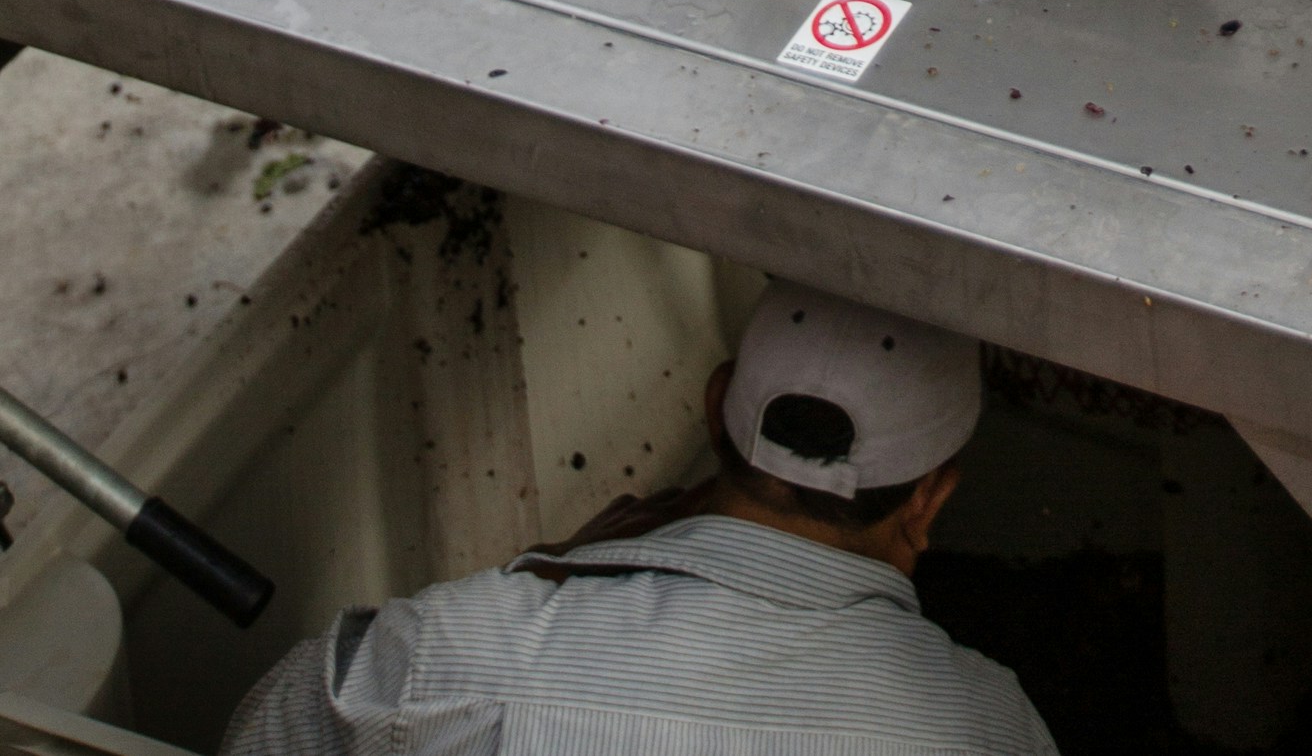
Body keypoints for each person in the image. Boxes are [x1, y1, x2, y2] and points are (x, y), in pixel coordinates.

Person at [222, 280, 1053, 756]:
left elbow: (261, 738)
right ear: (930, 498)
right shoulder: (992, 727)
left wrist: (546, 570)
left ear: (715, 406)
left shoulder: (449, 653)